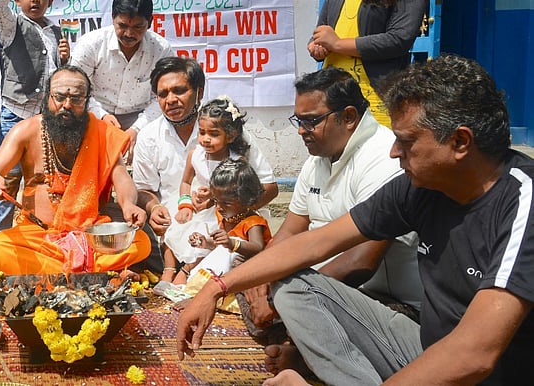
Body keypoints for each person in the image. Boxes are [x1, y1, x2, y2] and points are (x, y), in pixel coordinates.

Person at [177, 54, 534, 385]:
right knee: (289, 282)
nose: (395, 151)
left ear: (460, 142)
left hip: (482, 374)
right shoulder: (421, 185)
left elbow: (475, 356)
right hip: (428, 347)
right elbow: (313, 243)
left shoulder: (522, 202)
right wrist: (217, 287)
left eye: (406, 141)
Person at [237, 67, 421, 376]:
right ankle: (300, 341)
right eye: (298, 121)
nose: (300, 131)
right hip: (321, 287)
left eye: (310, 121)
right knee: (247, 276)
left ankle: (304, 353)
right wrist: (260, 283)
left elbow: (360, 263)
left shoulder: (384, 159)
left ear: (348, 117)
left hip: (381, 301)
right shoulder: (317, 159)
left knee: (288, 295)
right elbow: (289, 232)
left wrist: (286, 297)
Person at [0, 66, 152, 274]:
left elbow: (122, 179)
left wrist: (128, 204)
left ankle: (58, 273)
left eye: (76, 99)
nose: (67, 105)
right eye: (59, 97)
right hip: (40, 236)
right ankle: (86, 272)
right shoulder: (25, 131)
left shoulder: (102, 132)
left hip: (89, 235)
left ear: (87, 100)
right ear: (48, 97)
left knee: (141, 242)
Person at [0, 0, 70, 230]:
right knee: (8, 176)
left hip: (46, 118)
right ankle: (0, 232)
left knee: (44, 177)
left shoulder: (55, 31)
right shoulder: (11, 25)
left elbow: (58, 76)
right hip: (16, 113)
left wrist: (65, 60)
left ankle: (38, 230)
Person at [163, 97, 278, 283]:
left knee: (212, 235)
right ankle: (168, 270)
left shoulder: (236, 162)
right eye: (202, 132)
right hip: (202, 208)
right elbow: (186, 182)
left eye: (214, 134)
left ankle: (187, 272)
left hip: (226, 210)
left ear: (230, 136)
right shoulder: (195, 155)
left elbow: (240, 192)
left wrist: (212, 198)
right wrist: (186, 204)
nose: (206, 139)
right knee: (176, 228)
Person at [70, 0, 173, 160]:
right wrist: (102, 116)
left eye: (138, 27)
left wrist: (137, 129)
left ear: (150, 22)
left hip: (143, 118)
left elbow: (163, 97)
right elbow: (77, 91)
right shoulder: (90, 44)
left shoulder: (161, 50)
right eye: (122, 26)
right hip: (93, 112)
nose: (129, 34)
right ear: (112, 18)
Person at [133, 57, 205, 272]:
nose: (171, 100)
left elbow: (267, 186)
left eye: (179, 91)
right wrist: (154, 208)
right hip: (171, 228)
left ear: (199, 93)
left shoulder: (224, 128)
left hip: (219, 223)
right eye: (163, 94)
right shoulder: (148, 136)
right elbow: (143, 190)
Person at [179, 159, 272, 283]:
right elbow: (222, 247)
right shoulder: (224, 216)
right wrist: (205, 242)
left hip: (248, 271)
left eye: (226, 203)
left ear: (246, 200)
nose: (218, 207)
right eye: (215, 201)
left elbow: (257, 247)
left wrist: (232, 243)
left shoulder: (253, 222)